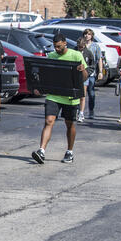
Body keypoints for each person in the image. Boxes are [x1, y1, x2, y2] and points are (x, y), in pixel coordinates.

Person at [31, 33, 88, 165]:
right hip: (54, 95)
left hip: (70, 97)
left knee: (69, 124)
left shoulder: (76, 55)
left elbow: (84, 77)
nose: (56, 49)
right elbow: (45, 75)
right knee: (49, 121)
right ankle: (41, 151)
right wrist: (39, 87)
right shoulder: (52, 56)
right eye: (55, 47)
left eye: (59, 47)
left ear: (65, 43)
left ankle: (69, 151)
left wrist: (82, 70)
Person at [77, 28, 102, 122]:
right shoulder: (79, 46)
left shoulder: (95, 46)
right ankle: (80, 111)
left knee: (91, 93)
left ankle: (91, 110)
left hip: (91, 73)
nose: (87, 36)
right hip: (81, 74)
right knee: (81, 94)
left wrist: (100, 71)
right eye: (85, 34)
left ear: (92, 36)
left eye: (89, 34)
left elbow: (99, 59)